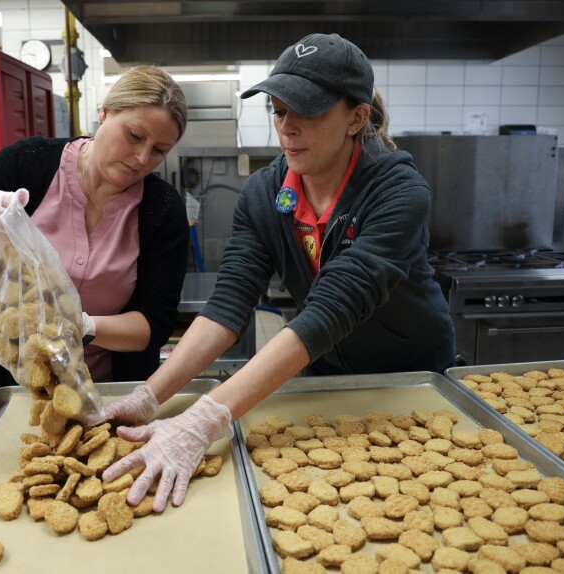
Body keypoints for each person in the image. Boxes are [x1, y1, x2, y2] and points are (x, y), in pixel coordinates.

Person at [99, 33, 456, 512]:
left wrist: (205, 419)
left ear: (356, 118)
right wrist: (151, 395)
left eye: (307, 112)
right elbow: (228, 306)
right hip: (328, 373)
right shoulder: (266, 193)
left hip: (411, 377)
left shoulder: (398, 191)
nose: (286, 128)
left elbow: (331, 308)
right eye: (279, 109)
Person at [0, 66, 190, 395]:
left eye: (159, 150)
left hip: (110, 393)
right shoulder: (29, 163)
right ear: (105, 113)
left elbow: (154, 323)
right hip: (15, 389)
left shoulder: (162, 208)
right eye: (134, 136)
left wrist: (82, 326)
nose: (142, 158)